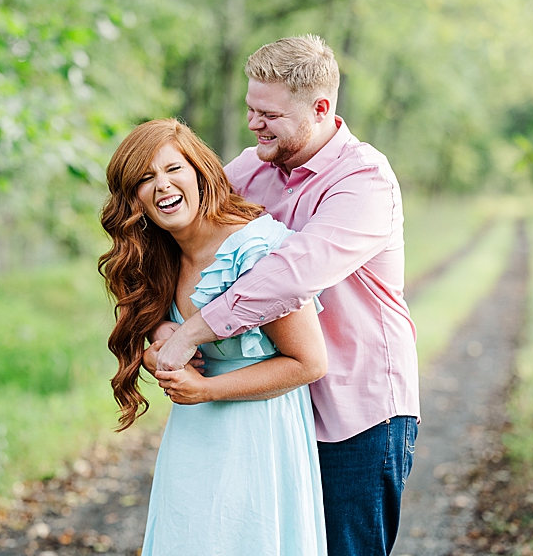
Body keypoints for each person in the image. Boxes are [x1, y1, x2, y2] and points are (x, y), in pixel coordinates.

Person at [150, 35, 421, 555]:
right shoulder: (248, 170)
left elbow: (294, 273)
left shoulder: (365, 181)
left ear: (320, 108)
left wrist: (193, 333)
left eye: (268, 114)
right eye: (250, 109)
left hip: (355, 412)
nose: (253, 125)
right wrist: (161, 324)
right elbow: (187, 242)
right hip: (269, 410)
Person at [98, 118, 329, 555]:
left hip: (258, 437)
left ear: (200, 172)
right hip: (192, 440)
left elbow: (310, 362)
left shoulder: (256, 249)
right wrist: (160, 350)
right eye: (145, 179)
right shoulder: (161, 256)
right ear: (134, 199)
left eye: (173, 169)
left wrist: (205, 388)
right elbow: (159, 353)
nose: (162, 186)